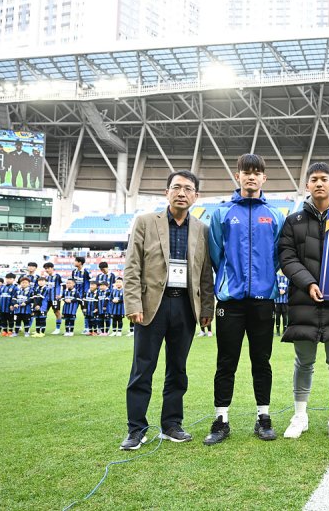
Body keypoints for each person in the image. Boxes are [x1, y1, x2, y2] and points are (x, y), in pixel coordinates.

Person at [121, 170, 214, 451]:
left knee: (178, 369)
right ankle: (136, 429)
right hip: (152, 306)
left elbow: (205, 273)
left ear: (196, 196)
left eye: (188, 189)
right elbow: (132, 266)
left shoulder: (202, 229)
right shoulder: (146, 222)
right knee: (142, 368)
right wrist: (133, 304)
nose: (181, 193)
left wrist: (207, 307)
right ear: (166, 192)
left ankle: (171, 425)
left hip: (185, 306)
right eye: (176, 187)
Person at [204, 153, 285, 446]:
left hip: (263, 299)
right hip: (231, 301)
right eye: (245, 172)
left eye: (257, 172)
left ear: (264, 178)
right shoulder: (222, 214)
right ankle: (221, 419)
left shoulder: (276, 215)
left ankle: (263, 417)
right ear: (237, 176)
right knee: (226, 361)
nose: (251, 177)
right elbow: (216, 254)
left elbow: (278, 256)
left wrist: (263, 278)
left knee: (261, 360)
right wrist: (231, 281)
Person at [278, 162, 329, 440]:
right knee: (304, 360)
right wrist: (308, 282)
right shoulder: (294, 222)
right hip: (303, 300)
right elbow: (287, 258)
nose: (319, 183)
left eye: (324, 179)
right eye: (314, 179)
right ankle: (300, 415)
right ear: (307, 186)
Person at [43, 262, 64, 335]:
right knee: (43, 312)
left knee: (57, 312)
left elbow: (63, 285)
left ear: (52, 268)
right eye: (45, 269)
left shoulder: (57, 276)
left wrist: (61, 295)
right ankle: (41, 328)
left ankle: (57, 329)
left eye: (48, 268)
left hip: (55, 298)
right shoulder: (46, 278)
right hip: (47, 298)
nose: (47, 270)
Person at [274, 272, 289, 337]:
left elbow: (290, 287)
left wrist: (285, 291)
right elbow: (273, 285)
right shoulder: (276, 277)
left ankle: (285, 331)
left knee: (285, 316)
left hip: (285, 301)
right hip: (277, 301)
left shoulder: (288, 277)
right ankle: (277, 331)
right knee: (277, 316)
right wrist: (278, 291)